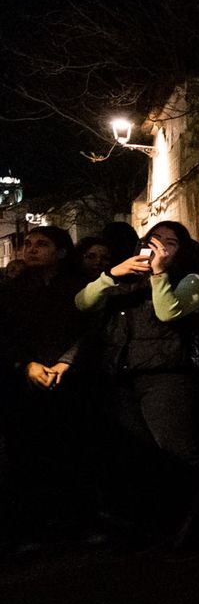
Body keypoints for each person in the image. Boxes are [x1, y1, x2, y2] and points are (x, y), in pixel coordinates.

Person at [75, 221, 199, 539]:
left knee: (176, 450)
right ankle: (153, 523)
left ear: (182, 251)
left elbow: (168, 314)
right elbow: (83, 302)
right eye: (154, 240)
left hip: (166, 376)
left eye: (170, 243)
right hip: (122, 377)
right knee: (138, 454)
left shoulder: (190, 280)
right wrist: (111, 275)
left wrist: (159, 275)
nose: (160, 247)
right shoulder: (125, 280)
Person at [0, 226, 91, 545]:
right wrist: (27, 366)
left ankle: (76, 523)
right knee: (27, 456)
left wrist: (67, 361)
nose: (31, 249)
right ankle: (33, 527)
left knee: (71, 453)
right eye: (28, 244)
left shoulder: (79, 288)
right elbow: (7, 337)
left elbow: (90, 331)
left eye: (42, 244)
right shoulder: (12, 291)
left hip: (71, 382)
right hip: (24, 385)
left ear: (62, 252)